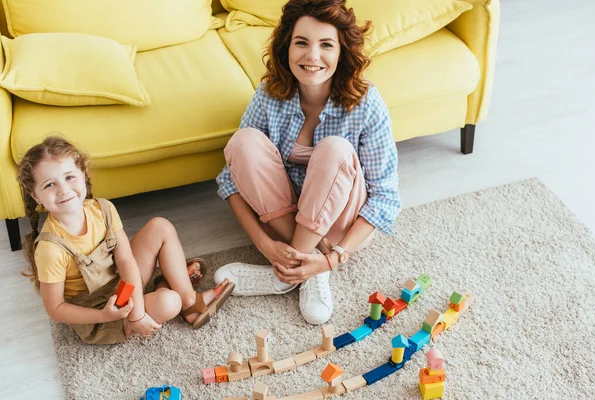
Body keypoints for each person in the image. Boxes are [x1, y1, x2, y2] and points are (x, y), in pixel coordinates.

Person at [213, 0, 401, 325]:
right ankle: (302, 262)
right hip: (283, 216)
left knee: (334, 149)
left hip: (338, 227)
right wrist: (264, 243)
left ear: (342, 52)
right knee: (242, 142)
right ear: (287, 47)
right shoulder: (269, 94)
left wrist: (333, 259)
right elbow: (231, 178)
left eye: (326, 45)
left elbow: (385, 199)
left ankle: (289, 274)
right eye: (302, 43)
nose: (312, 57)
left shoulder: (367, 103)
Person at [18, 136, 234, 344]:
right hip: (99, 309)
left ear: (83, 174)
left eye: (69, 177)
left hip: (121, 282)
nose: (63, 189)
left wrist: (137, 312)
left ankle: (189, 301)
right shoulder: (50, 249)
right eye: (49, 185)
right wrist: (111, 316)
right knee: (169, 302)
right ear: (36, 196)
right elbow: (55, 308)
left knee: (160, 226)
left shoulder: (103, 208)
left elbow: (126, 261)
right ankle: (165, 287)